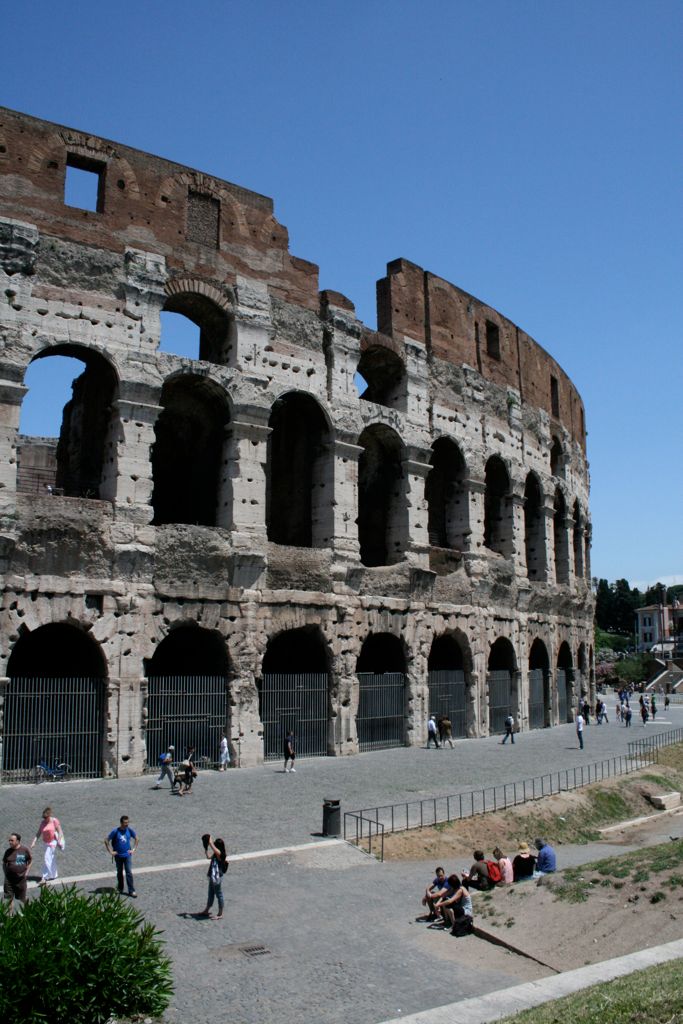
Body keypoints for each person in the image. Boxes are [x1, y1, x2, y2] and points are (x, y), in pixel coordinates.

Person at [105, 815, 138, 898]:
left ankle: (131, 890)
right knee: (119, 872)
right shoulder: (115, 831)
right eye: (125, 823)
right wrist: (111, 852)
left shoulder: (129, 830)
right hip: (118, 856)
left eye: (128, 822)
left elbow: (137, 838)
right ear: (121, 823)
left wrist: (133, 849)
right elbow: (106, 840)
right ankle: (120, 888)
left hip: (127, 855)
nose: (127, 824)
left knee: (128, 872)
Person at [31, 806, 64, 885]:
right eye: (43, 817)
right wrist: (34, 841)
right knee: (51, 858)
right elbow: (39, 833)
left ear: (49, 815)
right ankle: (53, 875)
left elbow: (60, 831)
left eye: (46, 817)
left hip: (53, 842)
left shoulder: (54, 821)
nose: (44, 819)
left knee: (47, 858)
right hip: (45, 843)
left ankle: (44, 877)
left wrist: (59, 841)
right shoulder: (43, 823)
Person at [199, 834, 228, 920]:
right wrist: (206, 850)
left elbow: (213, 847)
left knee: (219, 894)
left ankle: (220, 913)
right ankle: (206, 910)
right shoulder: (216, 854)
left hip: (217, 877)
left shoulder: (221, 854)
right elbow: (208, 857)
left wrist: (210, 841)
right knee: (210, 893)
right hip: (212, 876)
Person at [3, 833, 32, 913]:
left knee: (22, 898)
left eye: (12, 840)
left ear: (18, 841)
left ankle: (29, 910)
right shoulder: (8, 851)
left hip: (20, 879)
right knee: (9, 899)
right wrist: (6, 873)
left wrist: (26, 873)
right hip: (9, 880)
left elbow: (30, 861)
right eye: (9, 840)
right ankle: (10, 917)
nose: (10, 842)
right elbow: (4, 863)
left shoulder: (24, 850)